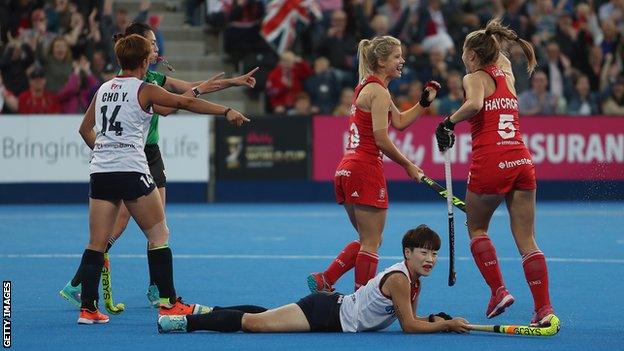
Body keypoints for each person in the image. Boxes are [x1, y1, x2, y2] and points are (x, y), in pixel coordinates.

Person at [60, 21, 258, 309]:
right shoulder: (146, 87)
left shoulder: (105, 88)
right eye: (151, 44)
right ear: (141, 56)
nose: (156, 48)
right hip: (134, 161)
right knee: (159, 232)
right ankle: (166, 298)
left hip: (105, 167)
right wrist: (225, 110)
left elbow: (85, 128)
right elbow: (179, 104)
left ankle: (88, 307)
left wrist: (230, 82)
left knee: (98, 240)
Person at [434, 19, 558, 327]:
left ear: (473, 56)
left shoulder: (473, 76)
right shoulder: (505, 69)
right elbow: (498, 52)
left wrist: (448, 122)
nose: (462, 56)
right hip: (521, 159)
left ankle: (498, 291)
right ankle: (544, 309)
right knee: (527, 239)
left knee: (476, 228)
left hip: (491, 161)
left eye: (465, 51)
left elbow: (475, 104)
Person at [307, 35, 441, 294]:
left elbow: (399, 121)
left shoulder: (369, 87)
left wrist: (424, 104)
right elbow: (381, 138)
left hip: (346, 169)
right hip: (364, 169)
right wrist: (408, 165)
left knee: (370, 240)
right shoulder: (377, 91)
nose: (402, 61)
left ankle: (326, 279)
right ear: (381, 61)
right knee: (371, 242)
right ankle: (360, 299)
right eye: (397, 57)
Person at [157, 225, 470, 334]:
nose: (430, 259)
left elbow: (413, 318)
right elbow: (409, 327)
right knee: (255, 324)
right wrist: (445, 324)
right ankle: (185, 323)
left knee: (264, 314)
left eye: (434, 254)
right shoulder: (401, 279)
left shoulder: (415, 280)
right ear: (407, 252)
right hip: (326, 311)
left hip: (332, 314)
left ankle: (201, 309)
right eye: (424, 253)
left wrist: (434, 318)